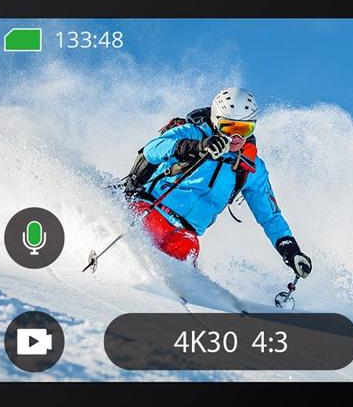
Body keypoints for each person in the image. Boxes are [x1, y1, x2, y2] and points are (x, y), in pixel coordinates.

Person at [127, 88, 312, 279]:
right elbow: (152, 149)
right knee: (145, 239)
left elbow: (270, 216)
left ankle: (182, 293)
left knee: (184, 258)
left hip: (185, 233)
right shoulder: (193, 133)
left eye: (244, 129)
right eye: (228, 128)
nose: (236, 137)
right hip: (151, 209)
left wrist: (291, 250)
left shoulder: (251, 168)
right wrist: (196, 147)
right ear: (216, 121)